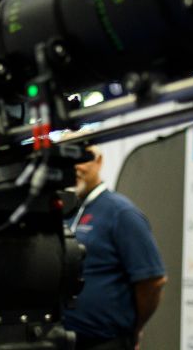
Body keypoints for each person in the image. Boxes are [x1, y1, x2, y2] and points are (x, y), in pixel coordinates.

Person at [63, 146, 167, 350]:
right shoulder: (65, 211)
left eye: (82, 158)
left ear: (99, 161)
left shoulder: (120, 213)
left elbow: (153, 281)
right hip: (66, 340)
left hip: (106, 342)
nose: (75, 167)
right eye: (68, 160)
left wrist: (134, 327)